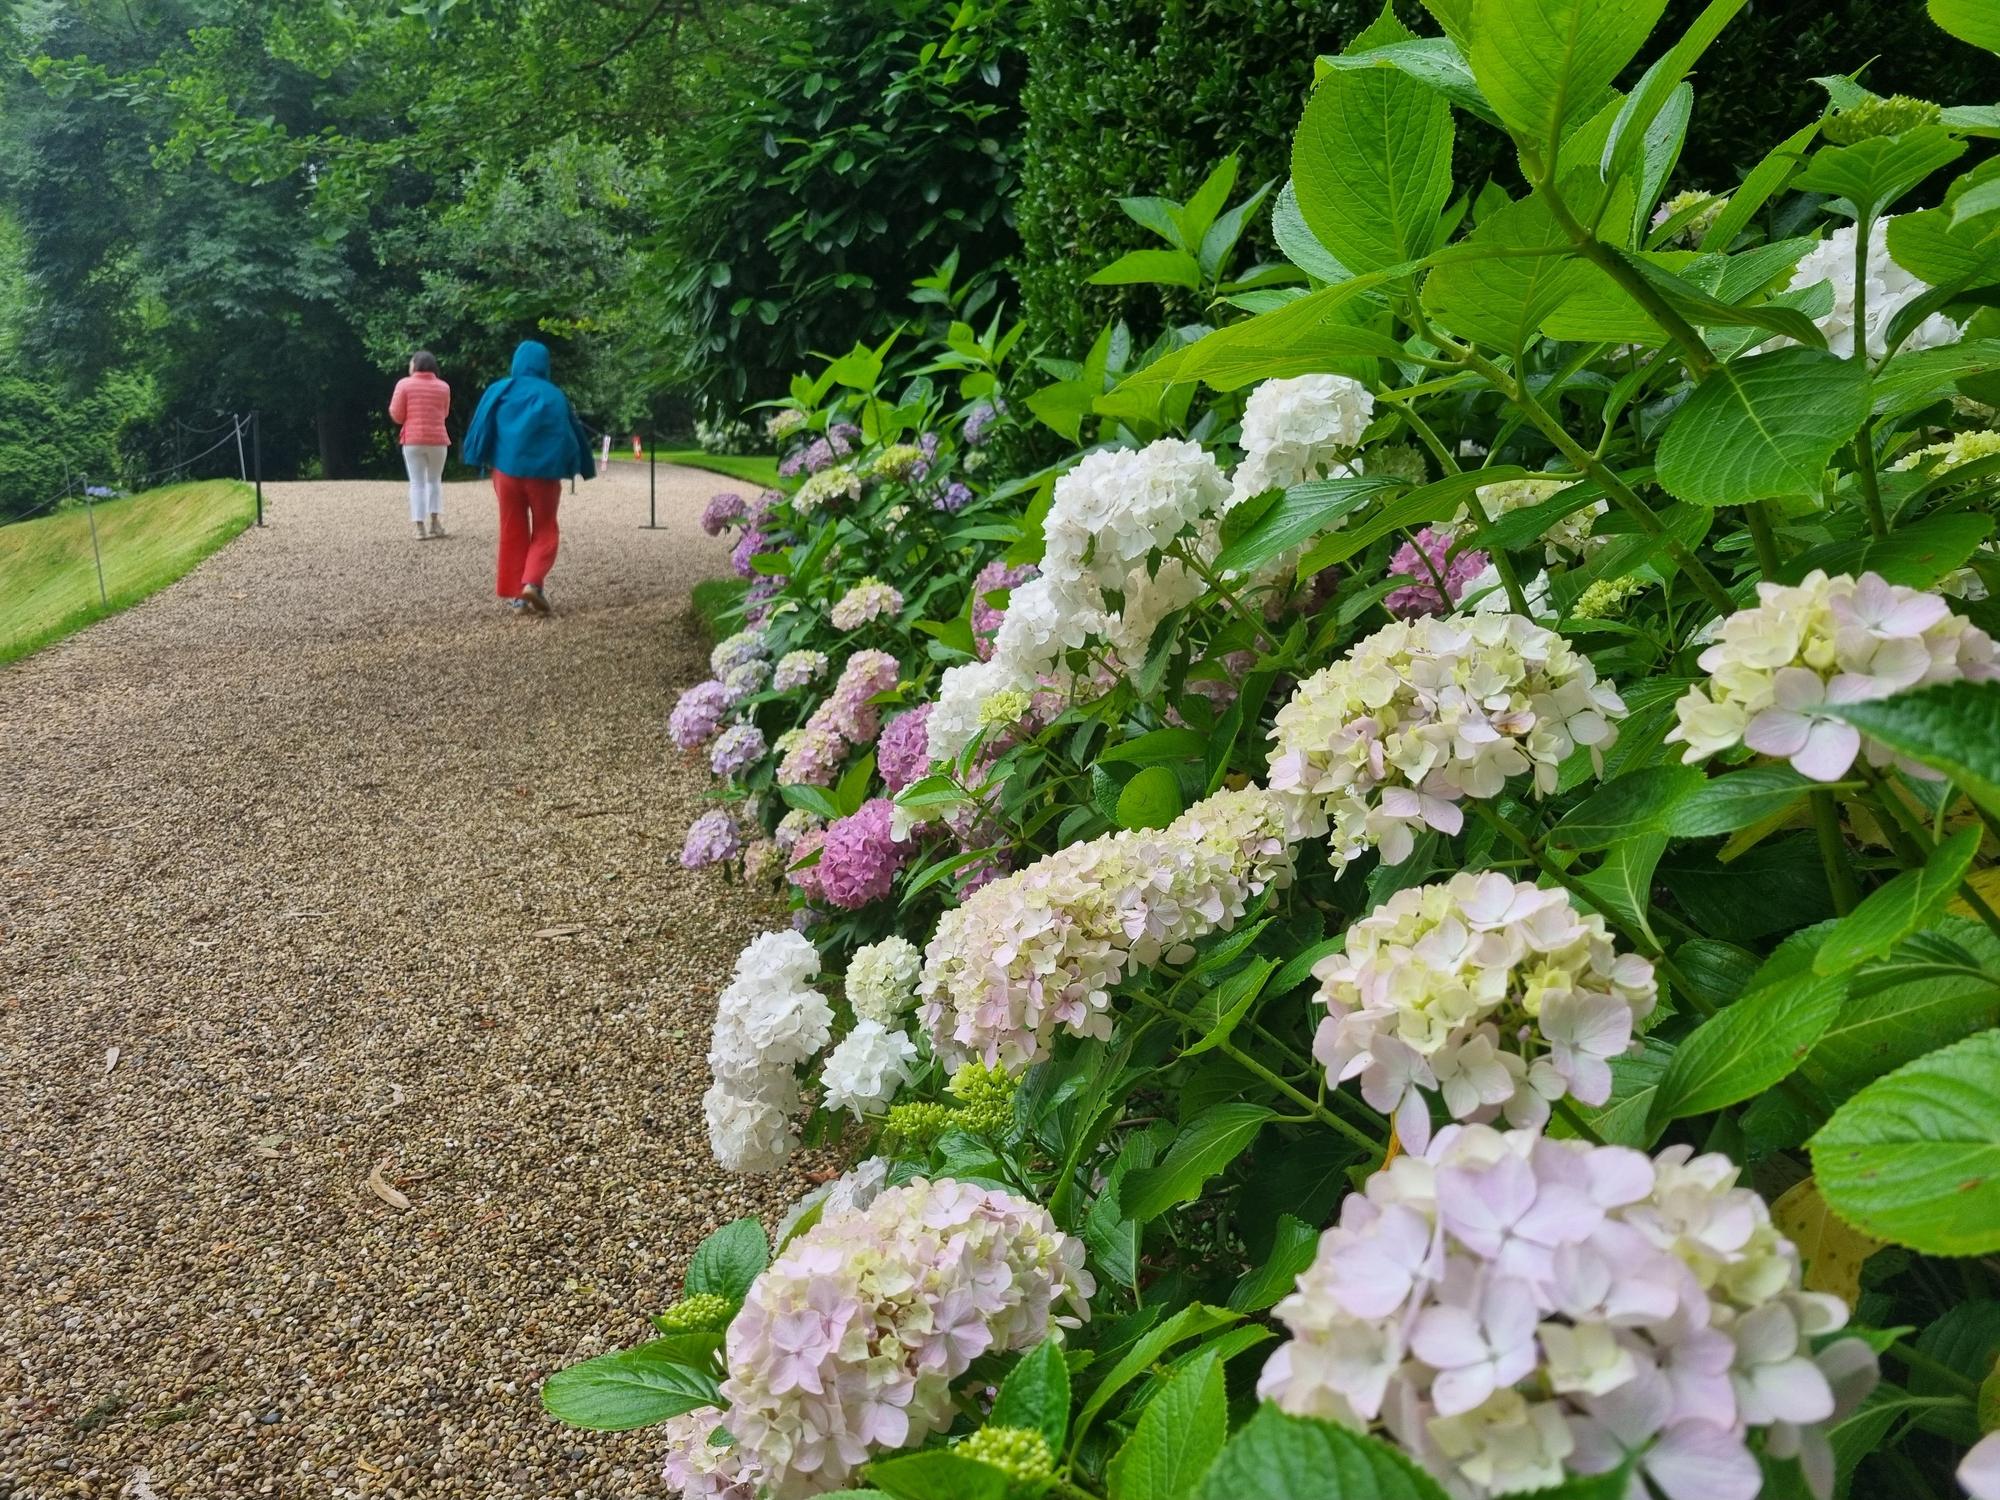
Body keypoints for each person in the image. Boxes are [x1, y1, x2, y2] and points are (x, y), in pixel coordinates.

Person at [460, 340, 596, 615]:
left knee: (512, 530)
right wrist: (578, 465)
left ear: (517, 362)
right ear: (545, 364)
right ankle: (532, 585)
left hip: (506, 474)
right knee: (545, 528)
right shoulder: (555, 396)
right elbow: (570, 437)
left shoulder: (499, 389)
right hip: (544, 476)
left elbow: (481, 427)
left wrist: (478, 456)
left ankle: (519, 599)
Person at [388, 350, 452, 540]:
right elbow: (445, 413)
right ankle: (435, 523)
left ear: (415, 365)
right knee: (434, 480)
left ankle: (419, 527)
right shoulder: (444, 387)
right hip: (438, 439)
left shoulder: (404, 385)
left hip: (413, 439)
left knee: (417, 483)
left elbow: (397, 415)